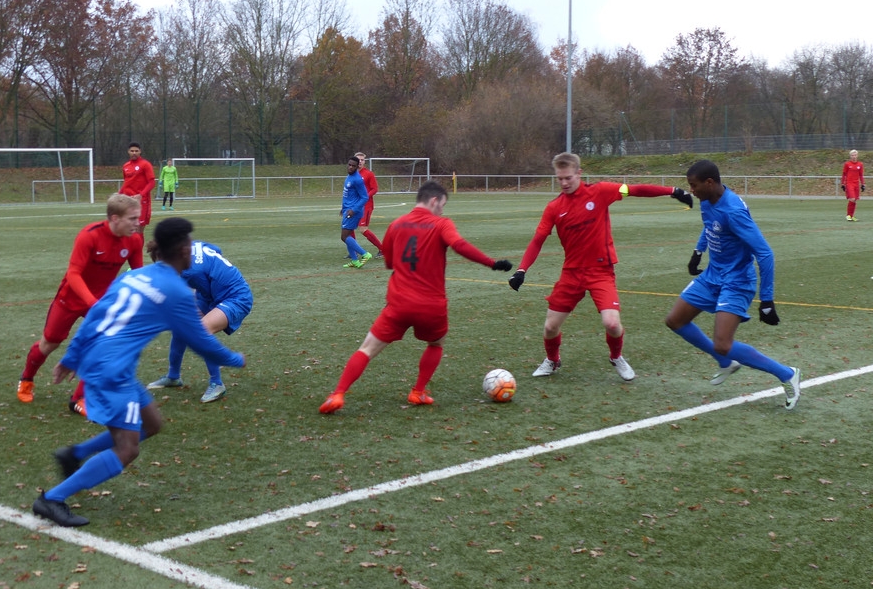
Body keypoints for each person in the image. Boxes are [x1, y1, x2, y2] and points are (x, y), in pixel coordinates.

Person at [31, 217, 247, 527]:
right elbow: (201, 341)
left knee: (152, 423)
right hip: (112, 371)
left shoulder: (135, 275)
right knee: (127, 448)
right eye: (190, 244)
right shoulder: (177, 292)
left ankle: (75, 454)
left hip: (102, 360)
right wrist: (235, 359)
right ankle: (52, 499)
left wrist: (72, 356)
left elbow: (97, 313)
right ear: (183, 250)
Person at [319, 180, 513, 414]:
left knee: (367, 349)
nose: (442, 211)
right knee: (436, 343)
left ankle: (338, 394)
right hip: (431, 305)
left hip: (399, 303)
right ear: (434, 201)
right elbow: (459, 245)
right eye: (442, 205)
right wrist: (492, 263)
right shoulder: (441, 224)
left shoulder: (396, 224)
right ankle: (418, 391)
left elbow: (390, 263)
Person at [507, 152, 694, 382]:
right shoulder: (554, 207)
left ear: (579, 173)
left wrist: (673, 191)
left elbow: (635, 189)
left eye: (568, 178)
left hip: (601, 271)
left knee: (612, 323)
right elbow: (538, 240)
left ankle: (616, 357)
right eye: (560, 179)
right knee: (550, 327)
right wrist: (522, 270)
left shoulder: (601, 191)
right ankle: (553, 360)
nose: (564, 183)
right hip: (571, 274)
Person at [665, 159, 801, 409]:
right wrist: (698, 251)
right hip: (712, 275)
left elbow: (765, 254)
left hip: (737, 280)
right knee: (675, 320)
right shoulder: (707, 199)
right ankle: (726, 363)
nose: (691, 191)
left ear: (709, 182)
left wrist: (767, 300)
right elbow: (710, 226)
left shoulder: (734, 211)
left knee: (723, 344)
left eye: (694, 185)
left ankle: (787, 373)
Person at [17, 194, 143, 412]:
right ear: (115, 218)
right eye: (132, 218)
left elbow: (137, 274)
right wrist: (92, 302)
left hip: (101, 302)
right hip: (71, 298)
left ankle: (79, 399)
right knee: (50, 343)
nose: (137, 223)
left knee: (103, 346)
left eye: (137, 218)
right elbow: (73, 274)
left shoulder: (134, 241)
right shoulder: (89, 235)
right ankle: (26, 379)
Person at [146, 239, 253, 402]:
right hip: (211, 295)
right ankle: (173, 376)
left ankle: (217, 384)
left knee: (201, 329)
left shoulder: (190, 272)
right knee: (181, 326)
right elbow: (216, 249)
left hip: (236, 298)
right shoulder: (193, 245)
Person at [340, 155, 372, 269]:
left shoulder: (357, 180)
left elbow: (364, 197)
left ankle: (365, 254)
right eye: (349, 165)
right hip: (347, 210)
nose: (350, 167)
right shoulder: (349, 177)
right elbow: (348, 195)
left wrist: (353, 210)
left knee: (344, 237)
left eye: (353, 166)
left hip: (353, 212)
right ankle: (355, 261)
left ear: (357, 167)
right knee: (348, 236)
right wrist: (343, 208)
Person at [120, 142, 156, 234]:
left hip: (141, 201)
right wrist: (119, 194)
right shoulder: (126, 166)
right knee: (128, 230)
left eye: (136, 151)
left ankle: (139, 244)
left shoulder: (145, 164)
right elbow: (126, 183)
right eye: (132, 151)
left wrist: (140, 195)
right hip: (128, 201)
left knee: (138, 230)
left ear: (140, 152)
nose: (134, 153)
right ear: (128, 152)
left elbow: (152, 182)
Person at [354, 152, 384, 258]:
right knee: (349, 227)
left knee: (363, 229)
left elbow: (374, 189)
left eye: (362, 160)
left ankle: (383, 249)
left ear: (364, 161)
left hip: (366, 205)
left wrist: (365, 196)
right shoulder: (352, 174)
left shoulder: (368, 174)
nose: (360, 162)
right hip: (355, 205)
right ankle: (353, 251)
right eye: (358, 159)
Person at [841, 149, 864, 221]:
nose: (854, 156)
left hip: (856, 184)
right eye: (852, 155)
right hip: (849, 183)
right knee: (852, 199)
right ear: (850, 156)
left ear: (857, 156)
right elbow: (844, 174)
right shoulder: (847, 164)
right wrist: (842, 183)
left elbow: (861, 175)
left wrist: (863, 184)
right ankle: (848, 215)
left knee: (855, 200)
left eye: (855, 155)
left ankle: (851, 216)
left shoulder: (860, 164)